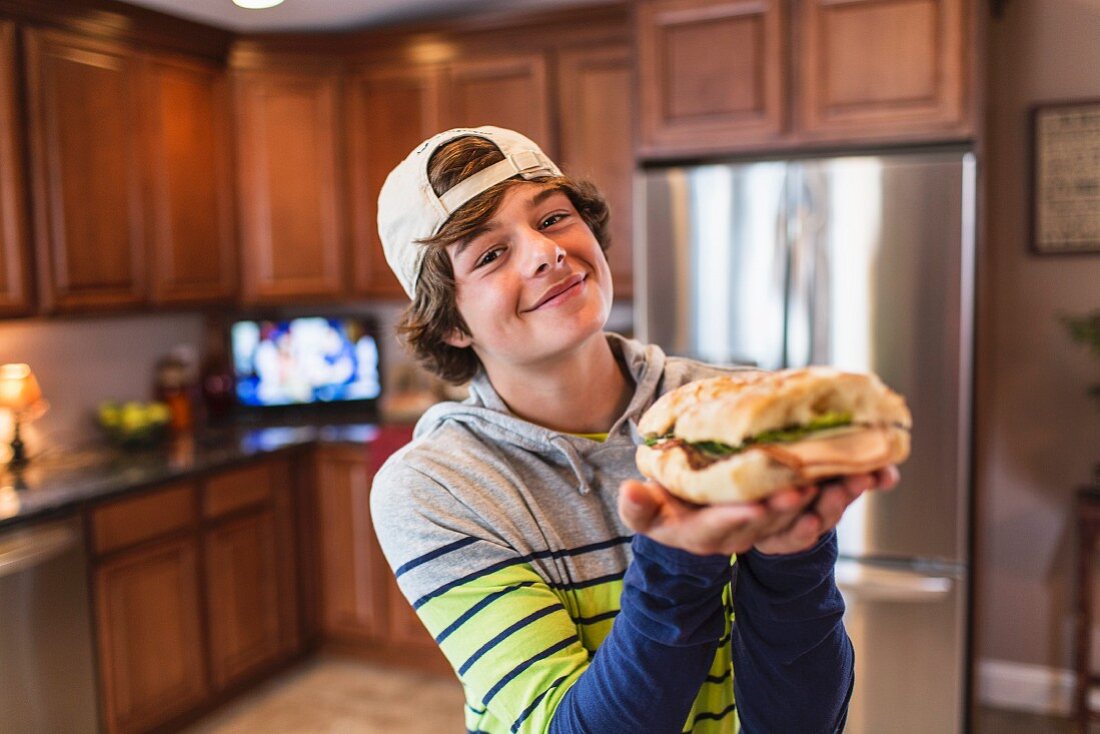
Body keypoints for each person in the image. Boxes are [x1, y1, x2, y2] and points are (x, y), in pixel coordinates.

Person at [369, 126, 899, 734]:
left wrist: (794, 560)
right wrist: (679, 558)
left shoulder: (729, 416)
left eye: (552, 218)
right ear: (451, 325)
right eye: (490, 254)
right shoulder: (437, 487)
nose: (545, 253)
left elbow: (802, 724)